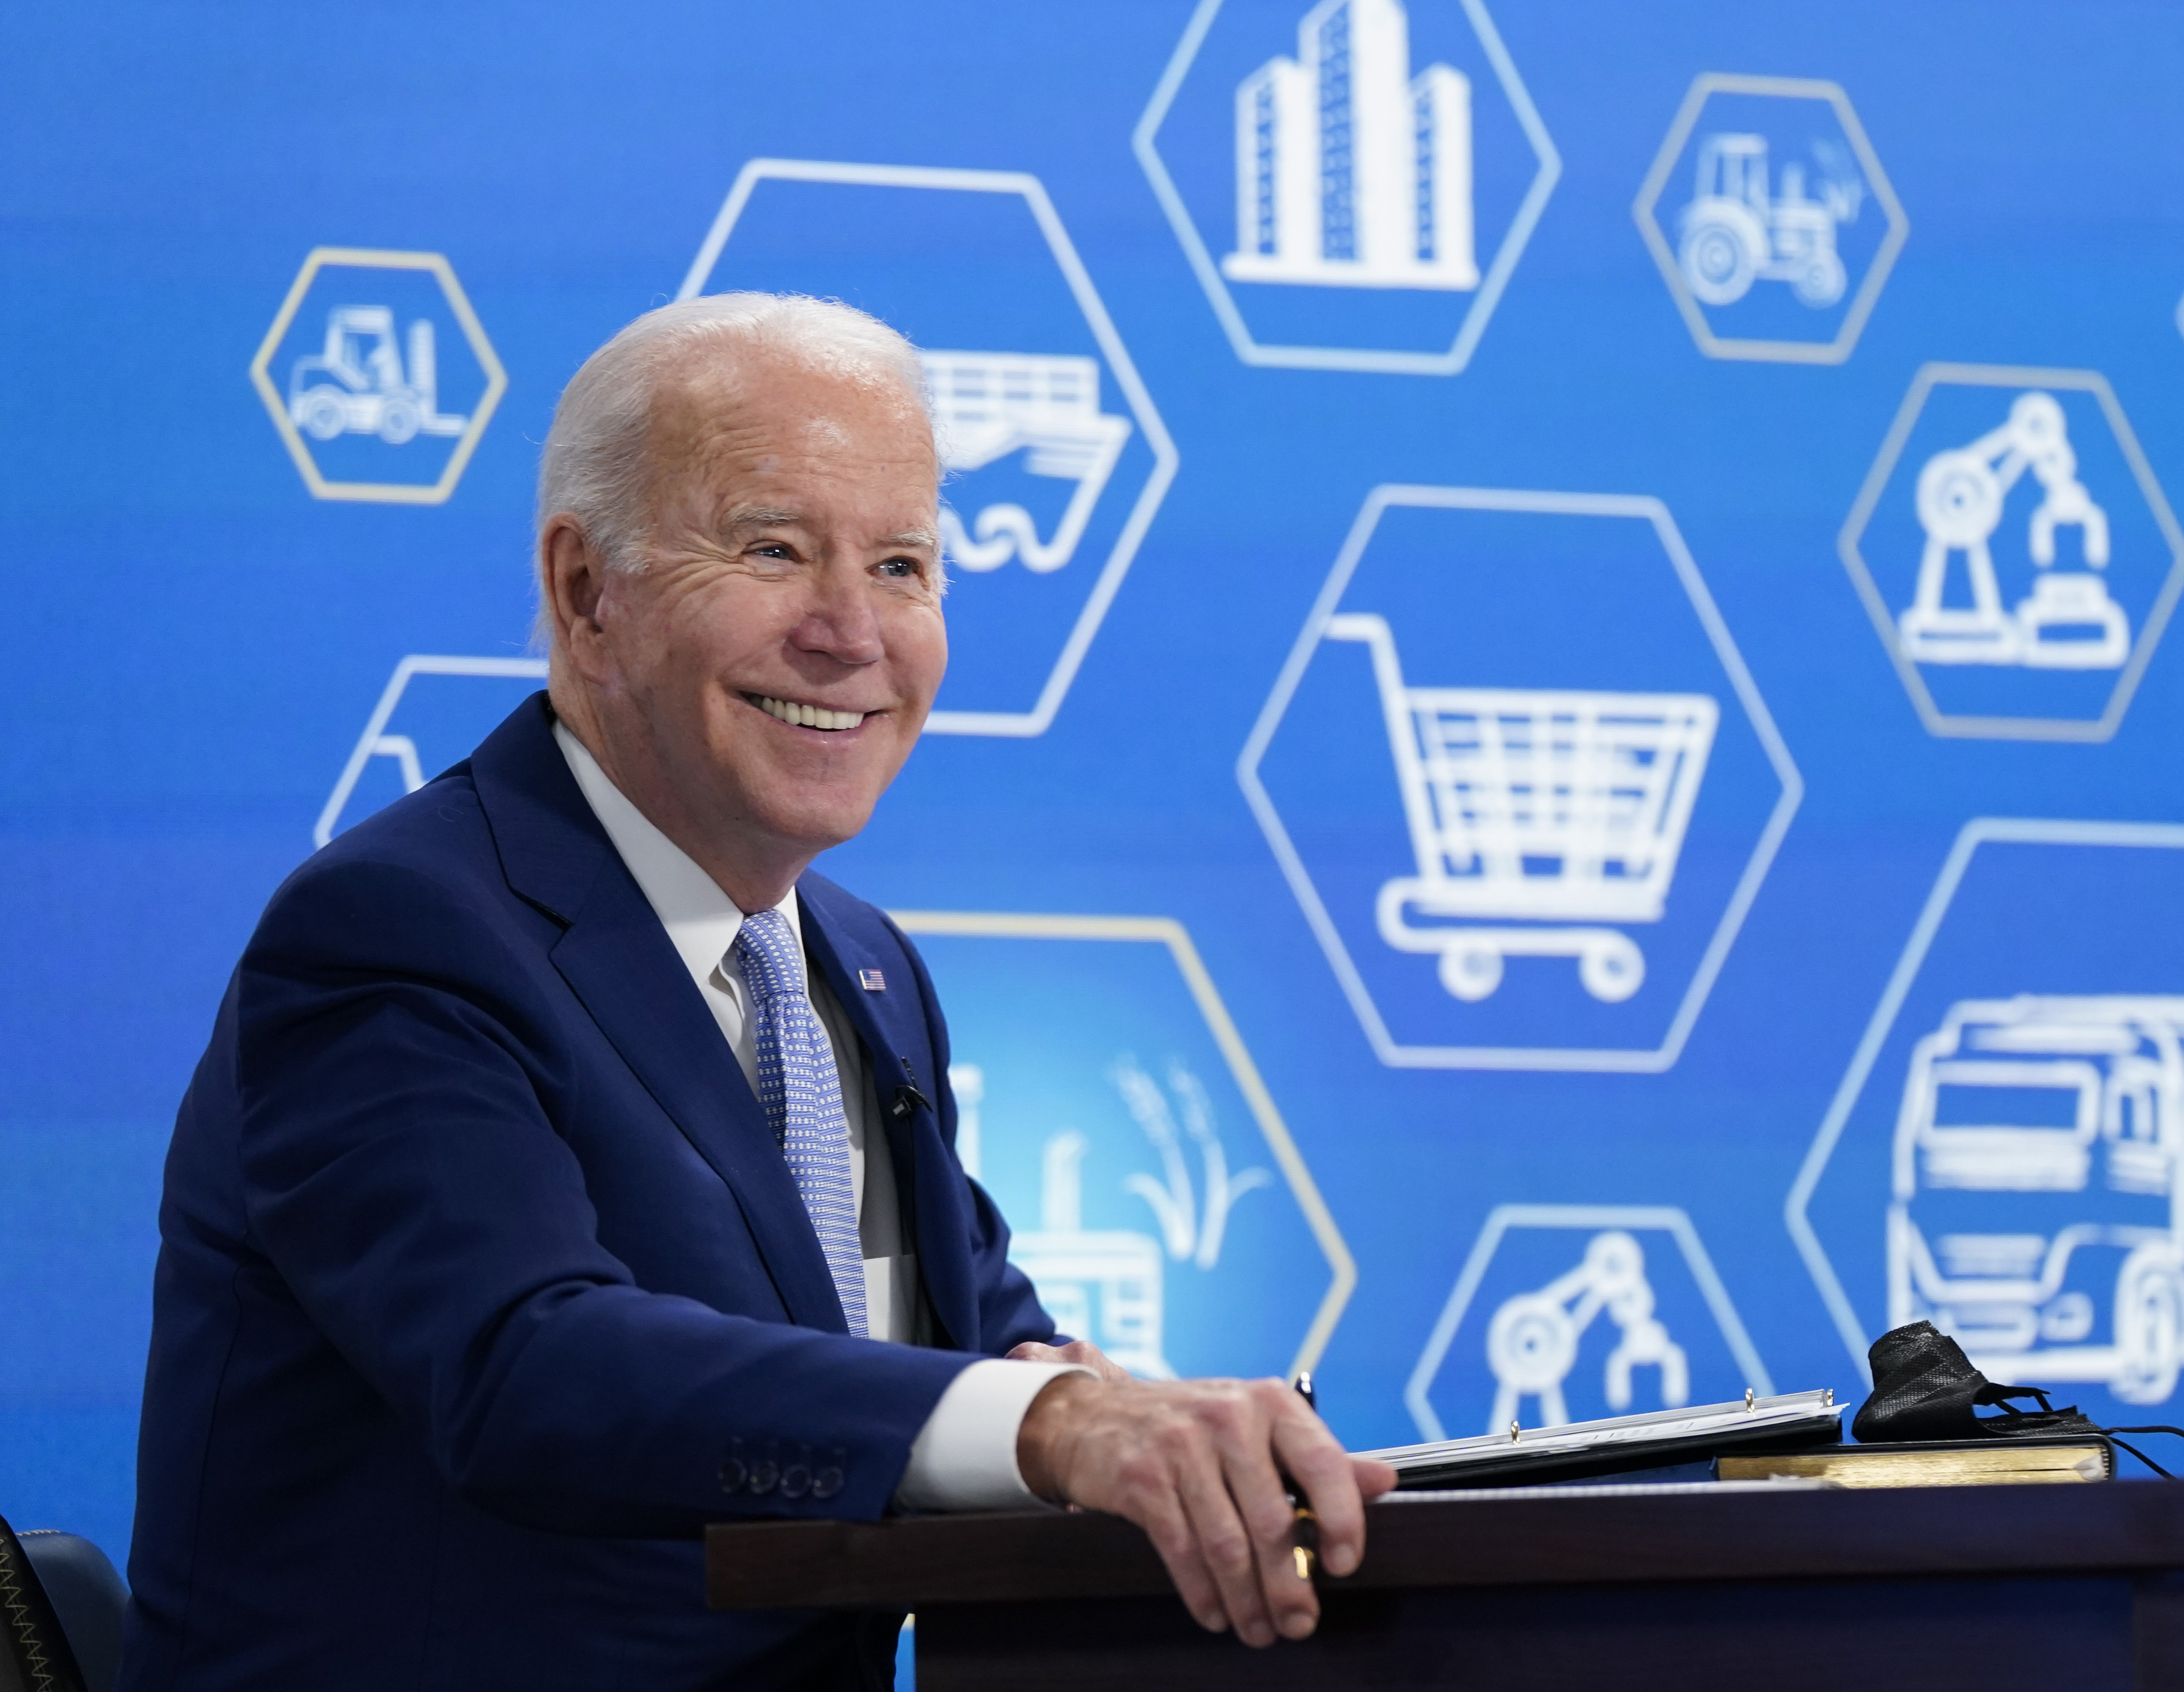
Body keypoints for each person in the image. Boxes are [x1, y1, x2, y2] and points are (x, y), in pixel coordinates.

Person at [123, 294, 1394, 1690]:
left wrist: (1146, 1418)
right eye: (775, 550)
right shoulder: (400, 931)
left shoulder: (862, 965)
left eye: (904, 565)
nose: (852, 632)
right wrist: (1045, 1428)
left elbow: (970, 1330)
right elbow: (524, 1368)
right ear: (586, 593)